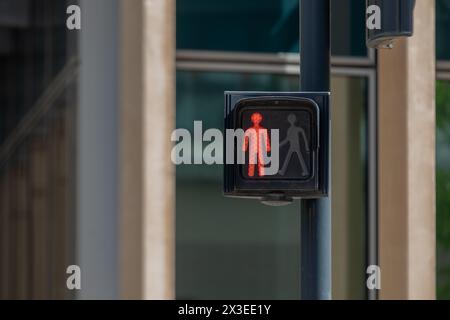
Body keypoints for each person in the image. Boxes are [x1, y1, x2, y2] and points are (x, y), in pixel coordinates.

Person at [242, 112, 271, 177]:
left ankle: (261, 174)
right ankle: (250, 174)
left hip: (261, 148)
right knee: (252, 162)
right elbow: (246, 139)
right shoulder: (249, 130)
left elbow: (266, 139)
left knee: (261, 162)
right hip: (253, 148)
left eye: (257, 119)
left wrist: (268, 147)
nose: (256, 120)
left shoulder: (263, 130)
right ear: (252, 120)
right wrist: (244, 148)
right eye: (255, 119)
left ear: (260, 119)